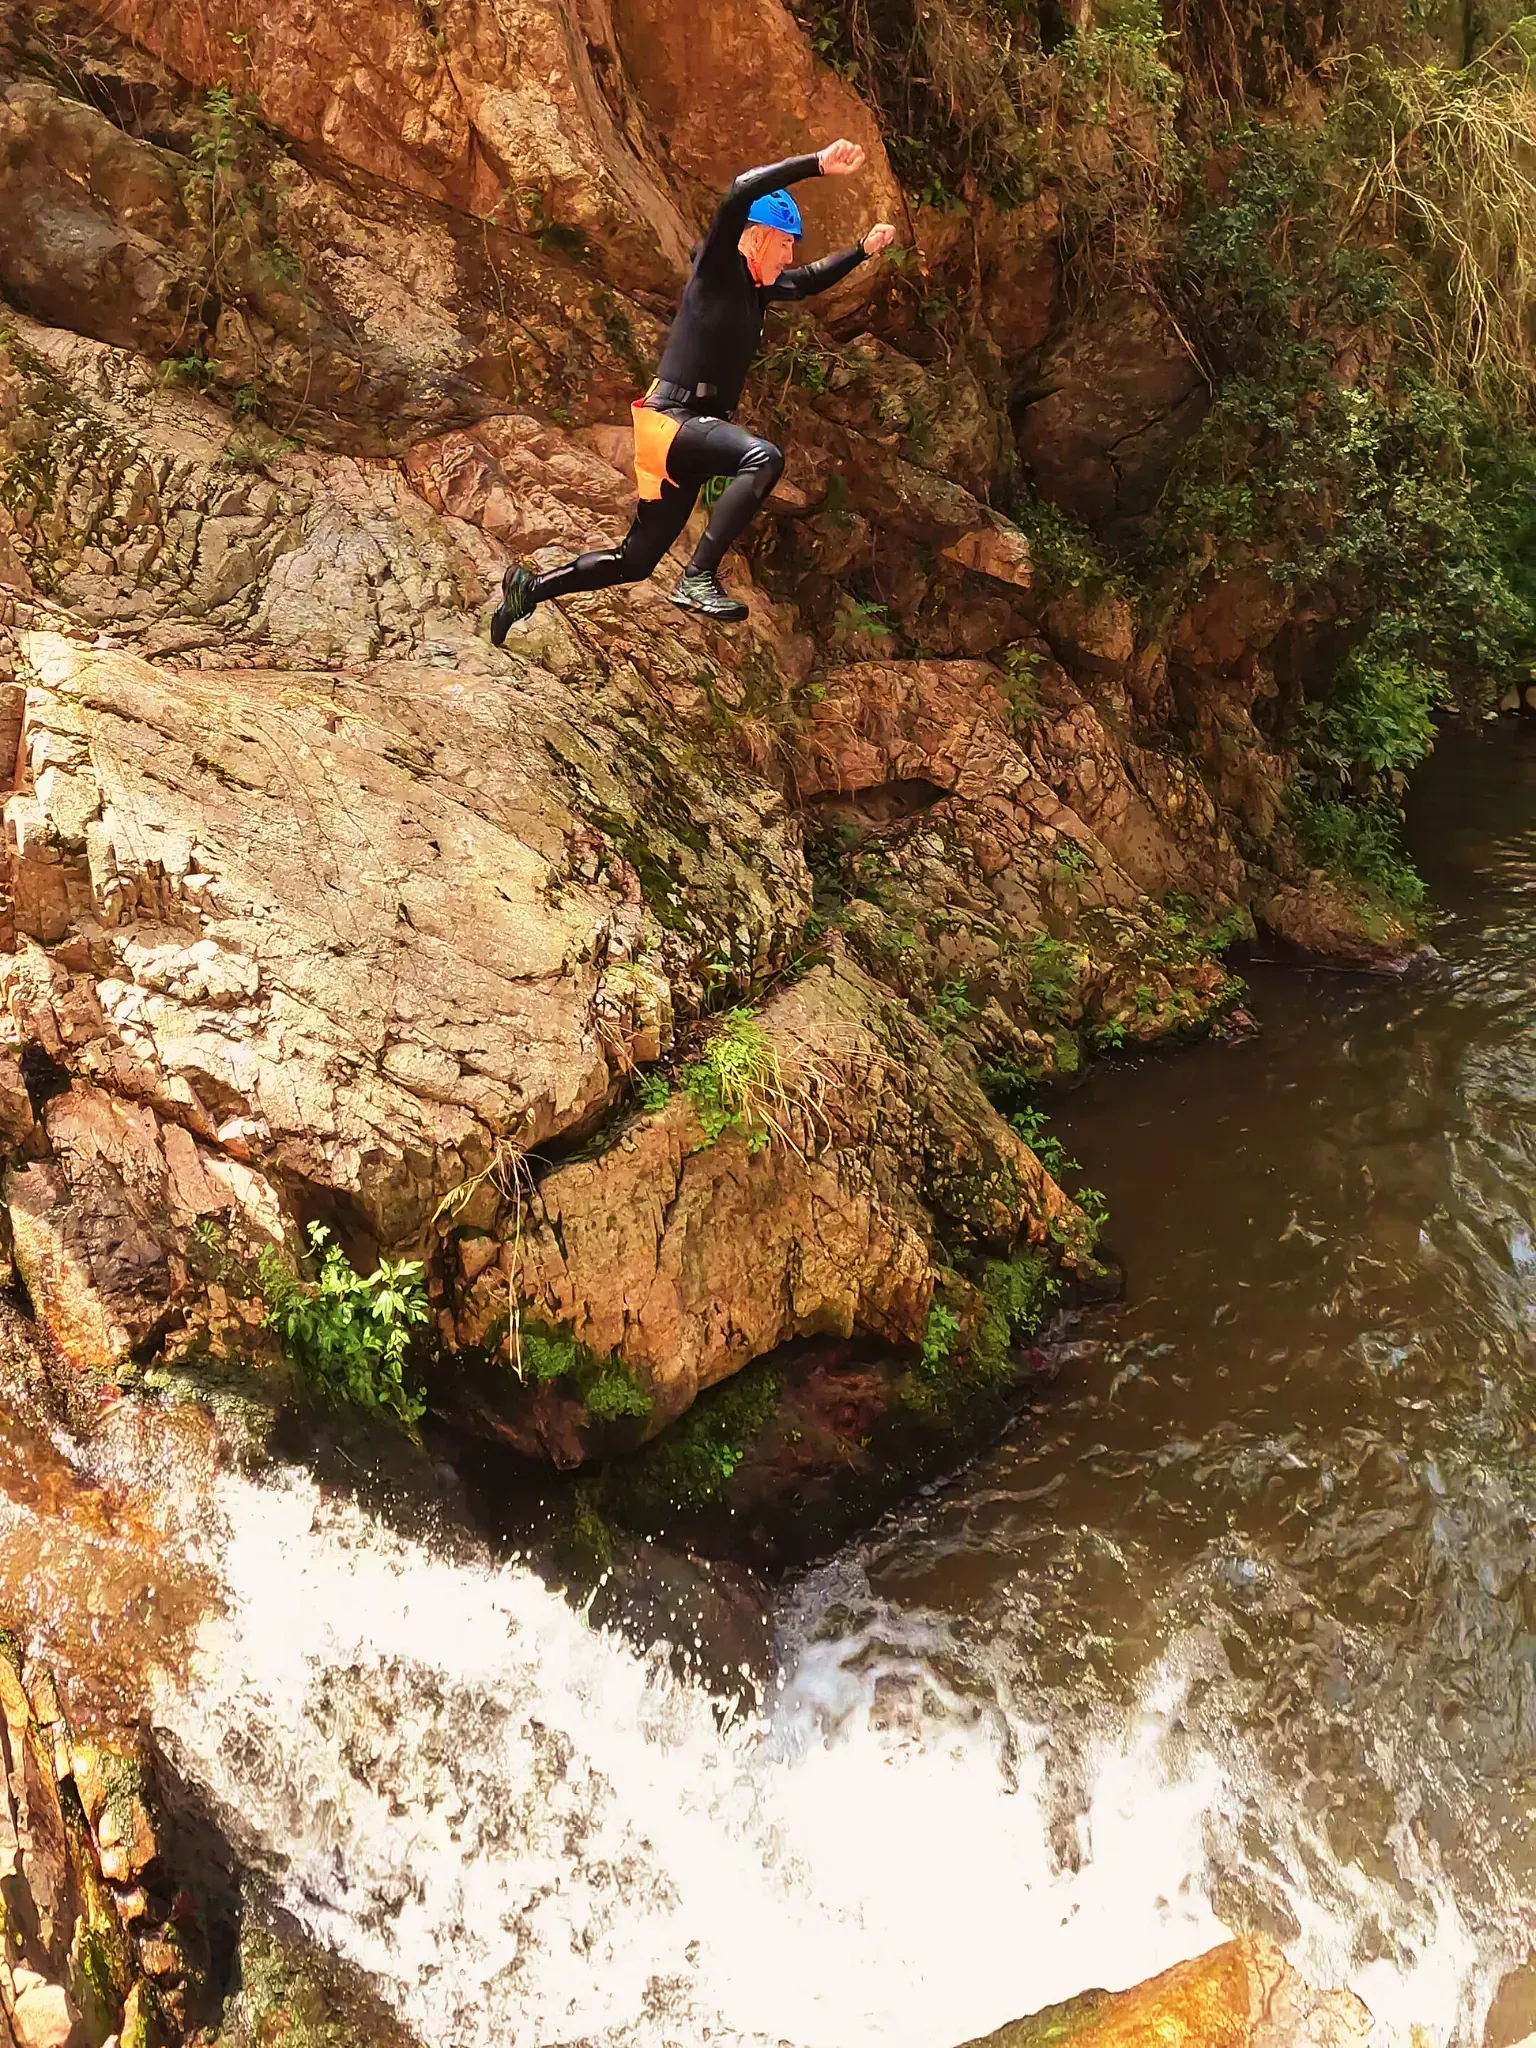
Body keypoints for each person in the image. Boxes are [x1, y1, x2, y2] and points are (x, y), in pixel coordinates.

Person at [490, 138, 897, 637]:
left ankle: (528, 589)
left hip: (690, 436)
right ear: (756, 238)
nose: (790, 255)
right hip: (673, 421)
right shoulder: (718, 267)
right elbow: (741, 190)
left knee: (634, 561)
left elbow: (809, 279)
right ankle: (698, 576)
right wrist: (815, 164)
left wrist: (861, 250)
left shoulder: (757, 290)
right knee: (763, 458)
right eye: (785, 243)